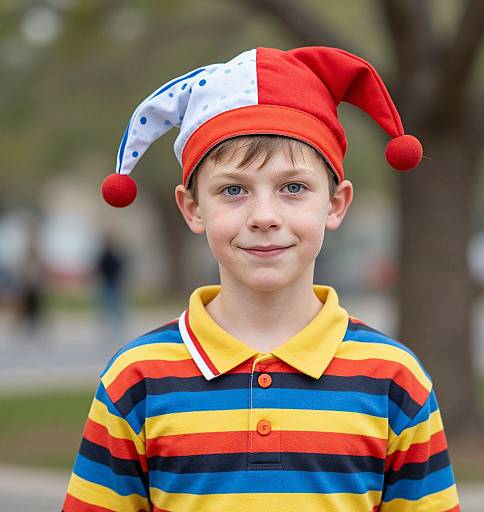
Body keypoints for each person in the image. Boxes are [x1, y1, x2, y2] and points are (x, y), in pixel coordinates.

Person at [63, 47, 459, 511]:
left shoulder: (395, 379)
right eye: (233, 190)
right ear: (192, 208)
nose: (265, 217)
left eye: (293, 187)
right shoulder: (135, 379)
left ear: (335, 204)